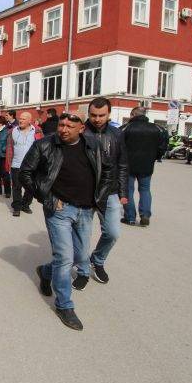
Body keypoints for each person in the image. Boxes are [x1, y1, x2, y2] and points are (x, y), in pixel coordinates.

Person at [20, 112, 112, 330]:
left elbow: (108, 170)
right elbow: (25, 173)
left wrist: (100, 196)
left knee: (81, 256)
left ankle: (45, 271)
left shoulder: (93, 145)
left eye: (70, 126)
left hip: (86, 209)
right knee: (64, 257)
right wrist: (46, 197)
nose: (64, 129)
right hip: (59, 210)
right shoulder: (44, 145)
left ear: (81, 128)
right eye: (61, 124)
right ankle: (64, 305)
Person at [83, 98, 128, 284]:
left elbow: (123, 164)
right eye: (93, 115)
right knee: (82, 237)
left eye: (101, 115)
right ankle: (83, 271)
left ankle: (98, 260)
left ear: (109, 114)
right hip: (84, 192)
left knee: (113, 232)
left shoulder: (117, 134)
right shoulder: (80, 131)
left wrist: (123, 192)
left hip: (110, 191)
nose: (97, 119)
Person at [121, 106, 167, 227]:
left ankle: (130, 217)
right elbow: (163, 146)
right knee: (145, 190)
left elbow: (118, 145)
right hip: (147, 165)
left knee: (128, 191)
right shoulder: (157, 128)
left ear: (133, 114)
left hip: (128, 165)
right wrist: (156, 157)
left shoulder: (125, 128)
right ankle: (145, 215)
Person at [5, 111, 43, 216]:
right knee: (16, 187)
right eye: (20, 118)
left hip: (32, 166)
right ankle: (17, 207)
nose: (21, 120)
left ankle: (26, 205)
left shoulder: (37, 131)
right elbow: (9, 148)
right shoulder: (13, 131)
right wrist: (8, 162)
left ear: (29, 120)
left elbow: (42, 148)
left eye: (24, 119)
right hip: (16, 164)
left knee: (30, 187)